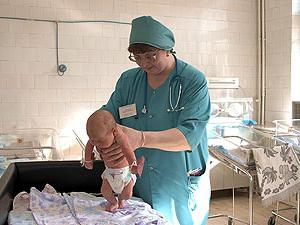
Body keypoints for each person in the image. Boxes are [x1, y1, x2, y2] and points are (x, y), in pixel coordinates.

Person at [100, 16, 211, 225]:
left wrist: (141, 138)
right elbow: (109, 115)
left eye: (151, 56)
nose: (144, 63)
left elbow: (189, 135)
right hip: (139, 181)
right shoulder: (128, 80)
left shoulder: (193, 81)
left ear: (167, 48)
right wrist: (98, 132)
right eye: (137, 57)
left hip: (180, 181)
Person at [83, 109, 144, 211]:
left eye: (100, 141)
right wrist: (88, 160)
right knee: (105, 191)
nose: (96, 144)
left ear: (114, 132)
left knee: (128, 194)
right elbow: (89, 146)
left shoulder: (120, 136)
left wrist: (133, 164)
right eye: (93, 139)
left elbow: (127, 149)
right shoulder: (96, 137)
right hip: (110, 172)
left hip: (125, 172)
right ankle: (113, 202)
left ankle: (121, 199)